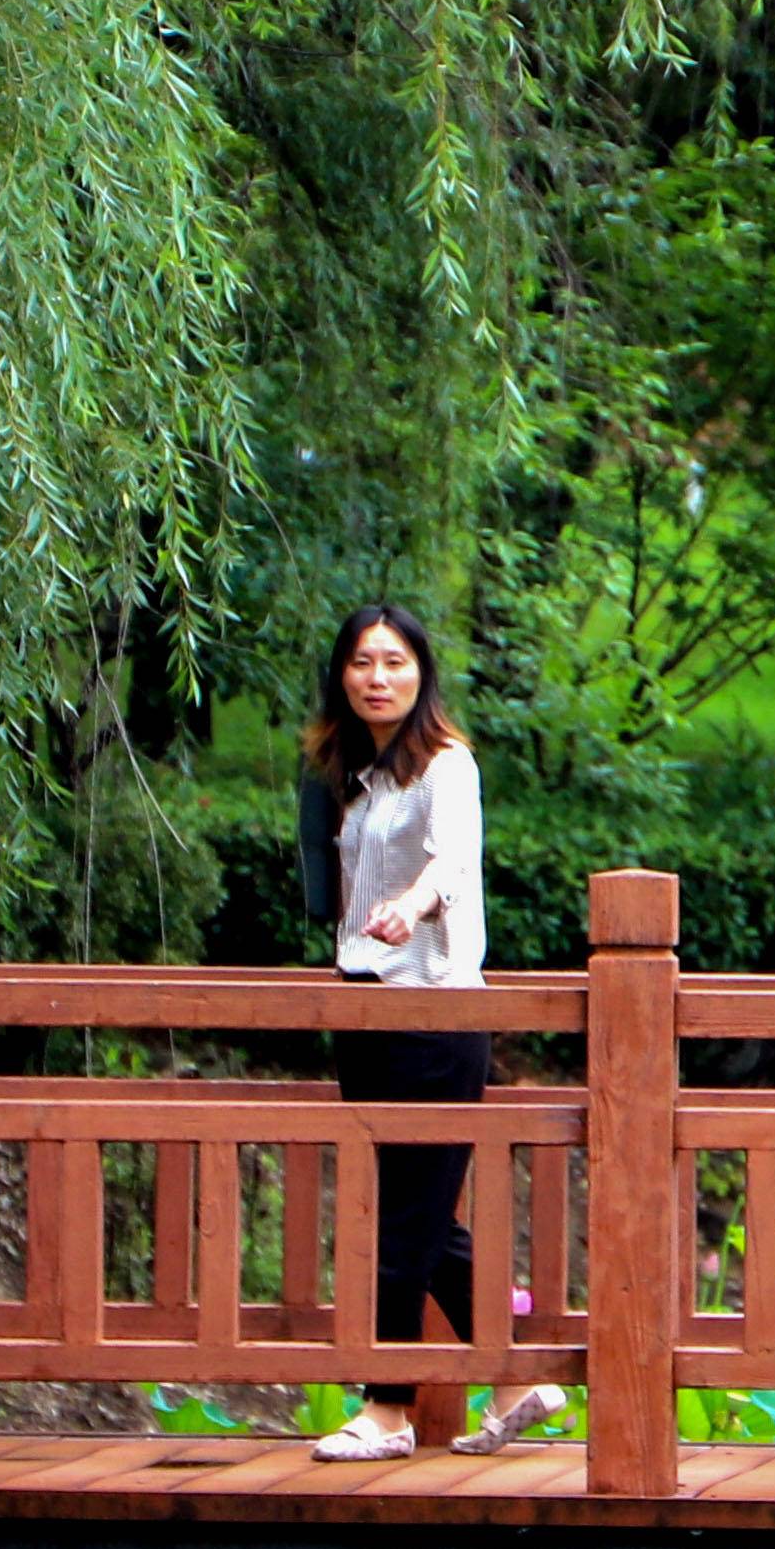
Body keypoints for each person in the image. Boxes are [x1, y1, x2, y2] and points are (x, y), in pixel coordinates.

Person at [300, 602, 560, 1462]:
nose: (379, 679)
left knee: (402, 1222)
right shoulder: (352, 775)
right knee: (421, 1216)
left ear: (422, 674)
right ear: (342, 675)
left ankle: (387, 1407)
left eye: (396, 663)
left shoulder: (446, 765)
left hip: (436, 1010)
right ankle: (517, 1375)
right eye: (363, 664)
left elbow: (450, 863)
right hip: (365, 1006)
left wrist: (410, 907)